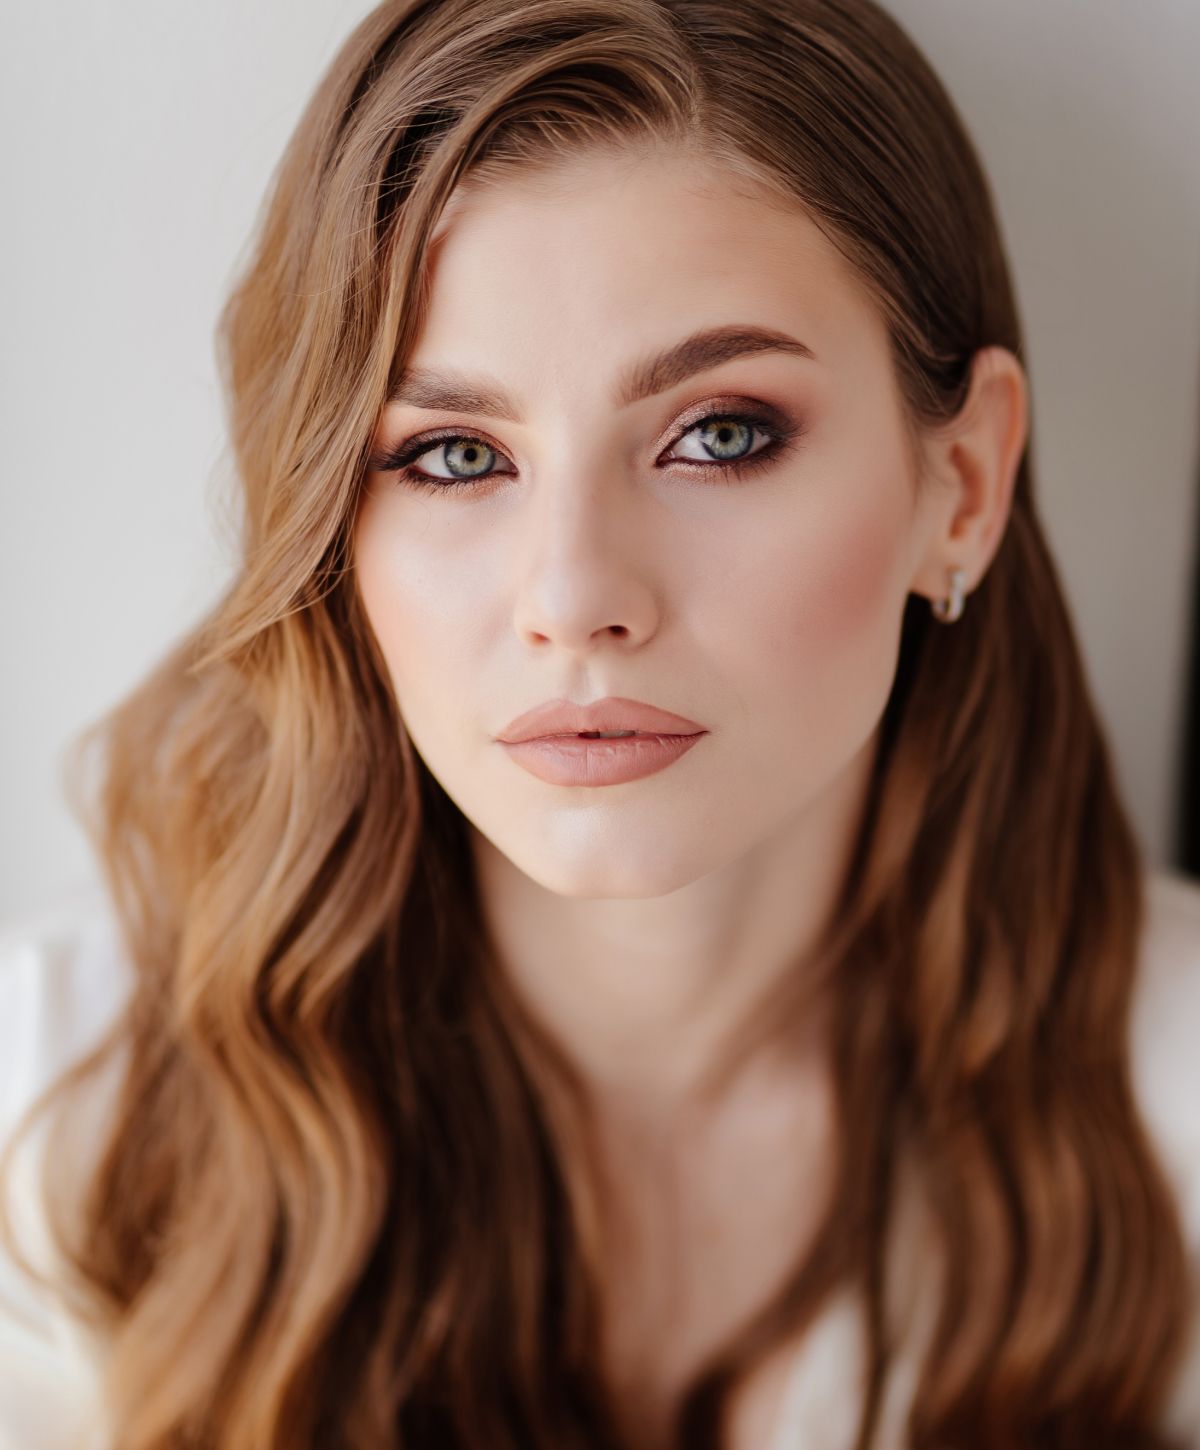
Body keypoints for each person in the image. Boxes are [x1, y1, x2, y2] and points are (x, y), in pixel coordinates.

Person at [2, 0, 1199, 1447]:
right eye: (454, 455)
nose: (574, 598)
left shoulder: (1180, 1097)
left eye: (719, 434)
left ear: (964, 483)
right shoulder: (52, 1118)